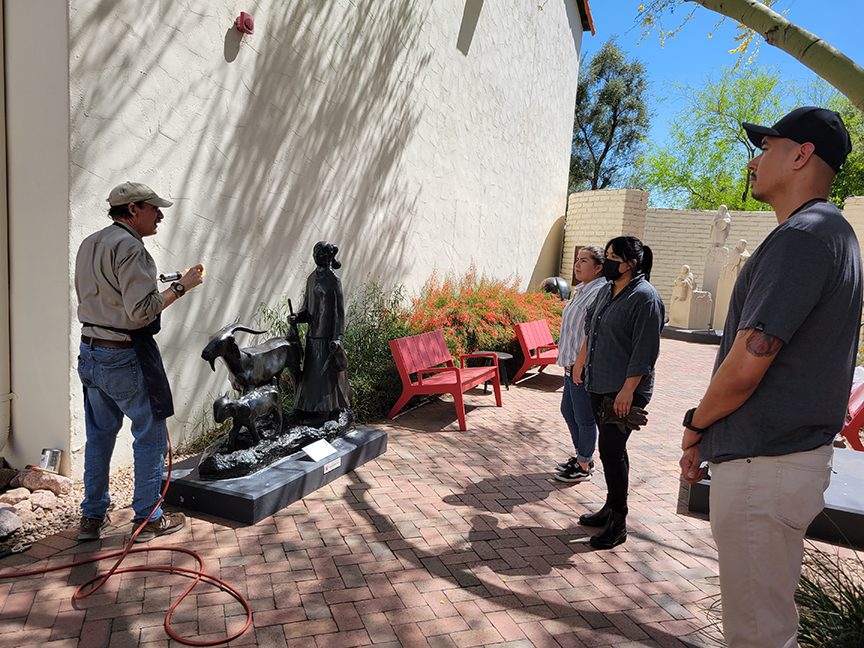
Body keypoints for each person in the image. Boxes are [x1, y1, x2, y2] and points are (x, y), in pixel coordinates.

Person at [679, 107, 860, 648]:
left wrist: (695, 425)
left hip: (767, 469)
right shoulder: (833, 234)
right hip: (782, 463)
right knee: (768, 626)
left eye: (766, 147)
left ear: (801, 154)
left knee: (757, 635)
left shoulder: (803, 237)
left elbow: (746, 365)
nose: (754, 160)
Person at [76, 181, 204, 542]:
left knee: (99, 437)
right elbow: (141, 314)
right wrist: (182, 287)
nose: (160, 215)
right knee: (150, 438)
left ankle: (92, 517)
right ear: (132, 209)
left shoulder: (90, 243)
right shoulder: (133, 250)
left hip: (90, 351)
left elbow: (105, 297)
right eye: (153, 208)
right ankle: (148, 518)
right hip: (122, 355)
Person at [572, 236, 664, 549]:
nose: (609, 261)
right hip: (600, 383)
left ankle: (619, 522)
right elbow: (592, 327)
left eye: (614, 256)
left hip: (625, 389)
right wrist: (580, 362)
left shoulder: (645, 297)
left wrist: (627, 391)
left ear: (632, 263)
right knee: (610, 452)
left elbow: (645, 351)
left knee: (612, 451)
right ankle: (610, 508)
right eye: (608, 254)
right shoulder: (607, 290)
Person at [554, 245, 605, 483]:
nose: (577, 264)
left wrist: (579, 364)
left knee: (584, 418)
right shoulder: (582, 289)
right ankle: (583, 457)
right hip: (570, 363)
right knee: (568, 411)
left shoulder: (599, 291)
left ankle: (584, 464)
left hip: (580, 366)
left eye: (584, 261)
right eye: (577, 259)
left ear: (599, 268)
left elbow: (592, 332)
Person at [291, 241, 352, 426]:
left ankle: (325, 410)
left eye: (321, 252)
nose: (317, 255)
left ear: (329, 256)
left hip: (327, 339)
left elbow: (338, 313)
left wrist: (338, 338)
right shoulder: (311, 278)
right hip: (312, 337)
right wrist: (297, 317)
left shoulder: (334, 281)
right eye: (315, 252)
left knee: (325, 378)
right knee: (311, 376)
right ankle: (308, 408)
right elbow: (306, 307)